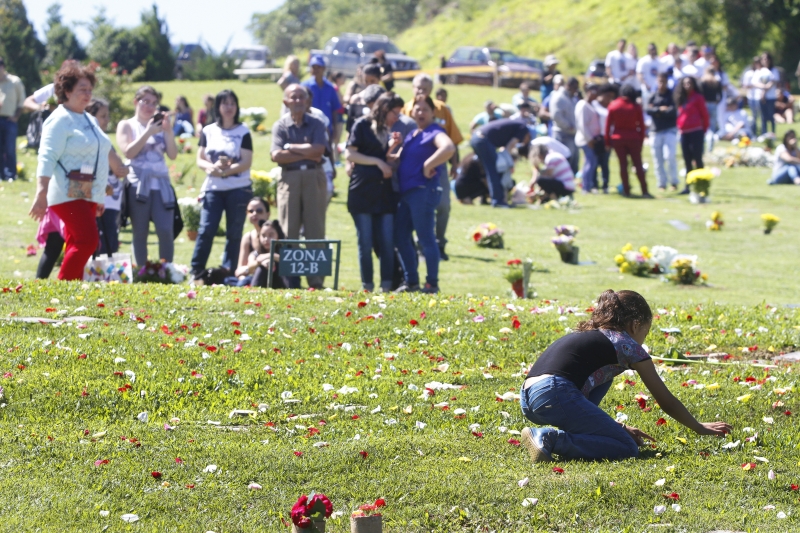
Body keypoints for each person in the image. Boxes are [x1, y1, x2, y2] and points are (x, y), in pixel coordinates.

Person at [520, 289, 732, 462]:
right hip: (555, 394)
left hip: (529, 397)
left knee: (607, 375)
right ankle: (550, 438)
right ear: (635, 325)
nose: (643, 340)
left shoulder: (590, 335)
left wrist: (617, 427)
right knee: (626, 446)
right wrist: (698, 427)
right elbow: (665, 400)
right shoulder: (627, 345)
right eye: (645, 332)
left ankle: (559, 436)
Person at [28, 63, 111, 281]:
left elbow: (99, 155)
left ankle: (72, 289)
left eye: (90, 89)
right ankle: (62, 287)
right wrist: (41, 193)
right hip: (65, 195)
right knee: (88, 240)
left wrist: (99, 196)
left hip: (86, 192)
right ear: (66, 91)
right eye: (82, 89)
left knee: (77, 241)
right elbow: (46, 157)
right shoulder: (58, 120)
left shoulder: (90, 119)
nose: (88, 94)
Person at [392, 95, 456, 294]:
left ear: (433, 113)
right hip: (407, 193)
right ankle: (411, 282)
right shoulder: (413, 134)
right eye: (417, 109)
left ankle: (431, 284)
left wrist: (429, 164)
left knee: (425, 238)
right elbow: (401, 159)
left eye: (425, 109)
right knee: (401, 236)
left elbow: (448, 147)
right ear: (411, 112)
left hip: (423, 191)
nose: (420, 113)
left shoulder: (435, 131)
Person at [190, 89, 254, 279]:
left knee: (234, 232)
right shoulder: (208, 130)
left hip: (239, 188)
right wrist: (212, 168)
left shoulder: (243, 131)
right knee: (206, 229)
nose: (229, 107)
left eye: (232, 103)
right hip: (213, 189)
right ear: (218, 106)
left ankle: (229, 272)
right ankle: (196, 271)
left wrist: (225, 171)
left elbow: (246, 161)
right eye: (225, 103)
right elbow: (200, 158)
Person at [345, 92, 405, 292]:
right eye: (395, 113)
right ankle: (367, 286)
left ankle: (386, 286)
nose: (397, 118)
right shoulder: (361, 125)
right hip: (362, 191)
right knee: (365, 242)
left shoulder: (388, 130)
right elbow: (350, 153)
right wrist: (378, 162)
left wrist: (394, 148)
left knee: (387, 241)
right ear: (385, 109)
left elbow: (386, 159)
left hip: (383, 193)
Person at [270, 84, 329, 289]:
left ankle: (316, 282)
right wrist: (307, 151)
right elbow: (276, 155)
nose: (298, 101)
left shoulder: (317, 123)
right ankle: (292, 281)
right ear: (285, 101)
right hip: (290, 178)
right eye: (293, 97)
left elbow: (319, 150)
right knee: (288, 230)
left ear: (307, 100)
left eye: (301, 97)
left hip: (314, 176)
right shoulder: (280, 126)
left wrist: (291, 148)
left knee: (315, 229)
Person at [401, 73, 463, 261]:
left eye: (425, 89)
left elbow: (453, 139)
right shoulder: (405, 110)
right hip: (412, 169)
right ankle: (419, 245)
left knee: (443, 205)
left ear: (431, 91)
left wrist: (454, 164)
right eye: (418, 88)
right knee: (415, 208)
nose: (421, 91)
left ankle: (440, 242)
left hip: (438, 167)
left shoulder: (441, 109)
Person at [117, 86, 178, 267]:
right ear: (136, 102)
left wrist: (168, 131)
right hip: (138, 185)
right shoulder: (127, 125)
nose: (150, 107)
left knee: (165, 229)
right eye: (146, 102)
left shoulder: (161, 127)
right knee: (140, 231)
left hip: (161, 184)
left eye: (154, 103)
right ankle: (142, 271)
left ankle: (167, 270)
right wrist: (148, 132)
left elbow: (173, 155)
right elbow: (129, 152)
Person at [86, 98, 129, 255]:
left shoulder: (102, 139)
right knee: (105, 243)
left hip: (111, 199)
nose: (107, 120)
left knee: (109, 240)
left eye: (107, 116)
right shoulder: (93, 140)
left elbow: (121, 169)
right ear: (91, 117)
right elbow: (118, 168)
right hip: (102, 198)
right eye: (103, 116)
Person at [470, 118, 531, 207]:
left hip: (476, 137)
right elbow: (510, 146)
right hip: (483, 140)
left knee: (487, 170)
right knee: (494, 171)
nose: (523, 143)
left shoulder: (515, 126)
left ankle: (486, 197)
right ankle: (498, 201)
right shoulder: (523, 128)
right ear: (528, 135)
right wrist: (507, 163)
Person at [605, 84, 650, 198]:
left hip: (618, 139)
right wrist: (641, 141)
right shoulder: (635, 107)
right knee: (638, 165)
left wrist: (607, 142)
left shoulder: (613, 105)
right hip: (634, 138)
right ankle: (644, 190)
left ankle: (626, 190)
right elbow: (641, 126)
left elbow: (608, 126)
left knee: (623, 165)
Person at [675, 76, 709, 193]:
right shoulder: (681, 98)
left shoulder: (698, 97)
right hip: (684, 132)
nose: (687, 86)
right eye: (685, 83)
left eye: (689, 83)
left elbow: (704, 114)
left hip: (696, 131)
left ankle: (702, 185)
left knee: (697, 158)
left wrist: (704, 130)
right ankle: (688, 186)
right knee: (687, 159)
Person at [646, 73, 679, 191]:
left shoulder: (672, 95)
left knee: (670, 156)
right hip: (656, 130)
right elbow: (648, 110)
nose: (661, 84)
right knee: (657, 159)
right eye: (659, 81)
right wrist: (660, 110)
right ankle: (661, 183)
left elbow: (673, 111)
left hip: (670, 129)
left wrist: (658, 112)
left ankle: (674, 182)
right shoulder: (653, 95)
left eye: (663, 82)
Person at [229, 196, 271, 285]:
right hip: (251, 280)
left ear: (268, 214)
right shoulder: (248, 237)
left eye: (259, 211)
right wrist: (244, 282)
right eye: (250, 211)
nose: (254, 214)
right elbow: (240, 270)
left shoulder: (276, 234)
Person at [0, 56, 26, 180]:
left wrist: (16, 117)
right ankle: (1, 175)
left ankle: (11, 174)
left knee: (10, 149)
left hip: (10, 120)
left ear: (3, 67)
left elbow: (22, 101)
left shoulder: (14, 81)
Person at [303, 55, 342, 138]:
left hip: (326, 127)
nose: (316, 70)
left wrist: (335, 128)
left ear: (324, 68)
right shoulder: (305, 86)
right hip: (309, 127)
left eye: (318, 67)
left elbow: (334, 110)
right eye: (314, 67)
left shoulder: (330, 87)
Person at [574, 84, 601, 193]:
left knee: (592, 163)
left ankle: (589, 185)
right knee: (589, 163)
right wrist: (589, 139)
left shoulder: (591, 104)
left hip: (591, 139)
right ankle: (585, 186)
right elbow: (582, 124)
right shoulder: (582, 105)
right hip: (585, 140)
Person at [550, 77, 580, 173]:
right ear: (568, 86)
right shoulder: (559, 97)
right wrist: (568, 126)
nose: (576, 91)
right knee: (564, 161)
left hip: (572, 134)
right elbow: (556, 115)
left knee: (573, 161)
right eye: (574, 88)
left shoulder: (572, 98)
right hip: (562, 134)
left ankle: (571, 178)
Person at [593, 84, 617, 193]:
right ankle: (594, 185)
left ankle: (605, 185)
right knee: (594, 162)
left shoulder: (611, 106)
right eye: (608, 95)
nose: (609, 98)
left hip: (607, 138)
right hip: (596, 138)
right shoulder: (594, 105)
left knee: (605, 163)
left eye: (611, 96)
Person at [754, 52, 780, 136]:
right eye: (763, 58)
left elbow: (773, 82)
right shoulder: (759, 71)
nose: (765, 60)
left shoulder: (774, 70)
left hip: (770, 97)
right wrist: (763, 88)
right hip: (760, 97)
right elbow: (755, 83)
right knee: (763, 116)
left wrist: (764, 92)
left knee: (771, 115)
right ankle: (764, 134)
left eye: (767, 58)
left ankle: (772, 133)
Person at [741, 56, 762, 136]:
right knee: (754, 115)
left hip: (760, 96)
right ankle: (753, 130)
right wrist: (754, 85)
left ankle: (760, 130)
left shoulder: (761, 72)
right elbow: (745, 85)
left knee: (760, 115)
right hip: (752, 96)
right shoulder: (749, 73)